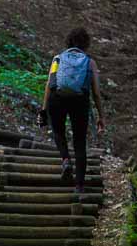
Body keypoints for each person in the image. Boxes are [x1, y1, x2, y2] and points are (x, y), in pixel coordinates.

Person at [37, 27, 104, 194]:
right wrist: (101, 116)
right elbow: (96, 92)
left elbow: (49, 84)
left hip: (57, 99)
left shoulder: (57, 59)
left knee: (58, 132)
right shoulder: (90, 62)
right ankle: (79, 186)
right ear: (86, 43)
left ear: (68, 41)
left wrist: (44, 110)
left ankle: (66, 159)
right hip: (80, 101)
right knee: (80, 143)